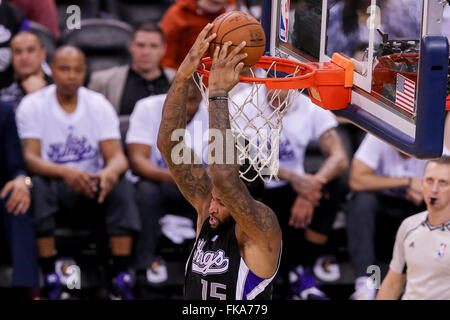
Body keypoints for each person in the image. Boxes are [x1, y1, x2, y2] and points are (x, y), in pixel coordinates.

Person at [157, 24, 282, 300]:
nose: (211, 206)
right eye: (214, 199)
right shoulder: (208, 212)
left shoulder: (262, 228)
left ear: (247, 200)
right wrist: (182, 76)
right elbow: (169, 145)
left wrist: (218, 93)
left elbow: (225, 180)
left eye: (222, 202)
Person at [15, 45, 141, 300]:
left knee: (122, 186)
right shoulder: (33, 105)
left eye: (77, 70)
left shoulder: (97, 104)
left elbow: (117, 157)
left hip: (94, 187)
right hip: (56, 187)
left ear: (85, 72)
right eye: (64, 69)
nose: (71, 75)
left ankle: (121, 276)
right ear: (52, 70)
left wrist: (108, 174)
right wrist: (67, 173)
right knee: (38, 185)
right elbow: (30, 158)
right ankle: (50, 274)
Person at [262, 90, 349, 300]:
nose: (274, 92)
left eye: (281, 86)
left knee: (333, 184)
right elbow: (239, 160)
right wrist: (296, 179)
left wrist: (310, 187)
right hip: (260, 186)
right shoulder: (243, 103)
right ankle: (276, 274)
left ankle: (304, 270)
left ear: (293, 86)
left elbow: (340, 159)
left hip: (298, 189)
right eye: (269, 84)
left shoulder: (311, 106)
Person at [126, 79, 208, 287]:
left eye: (193, 100)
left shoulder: (212, 113)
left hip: (196, 188)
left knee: (219, 195)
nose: (187, 109)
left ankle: (209, 268)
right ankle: (141, 270)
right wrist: (180, 176)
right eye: (182, 101)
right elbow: (138, 162)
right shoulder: (147, 107)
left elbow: (219, 167)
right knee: (146, 192)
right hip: (158, 184)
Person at [345, 133, 427, 300]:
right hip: (381, 213)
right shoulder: (379, 136)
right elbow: (356, 180)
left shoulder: (432, 145)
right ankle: (365, 285)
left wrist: (427, 192)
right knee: (362, 201)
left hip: (414, 212)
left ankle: (419, 283)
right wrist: (407, 182)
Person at [377, 156, 450, 300]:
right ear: (422, 184)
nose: (434, 189)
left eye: (443, 183)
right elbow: (392, 283)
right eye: (430, 181)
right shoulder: (409, 225)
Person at [88, 22, 175, 116]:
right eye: (140, 45)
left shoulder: (178, 80)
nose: (146, 52)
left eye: (153, 46)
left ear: (163, 49)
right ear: (131, 46)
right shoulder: (103, 82)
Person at [0, 100, 38, 296]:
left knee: (16, 198)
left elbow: (16, 165)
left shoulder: (4, 110)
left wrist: (21, 180)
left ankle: (26, 288)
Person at [159, 0, 229, 71]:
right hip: (184, 74)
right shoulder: (178, 13)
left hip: (219, 74)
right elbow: (165, 58)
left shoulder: (233, 12)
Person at [0, 31, 51, 111]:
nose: (24, 57)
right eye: (18, 51)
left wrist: (38, 96)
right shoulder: (4, 94)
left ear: (43, 54)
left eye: (30, 50)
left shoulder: (59, 88)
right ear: (11, 56)